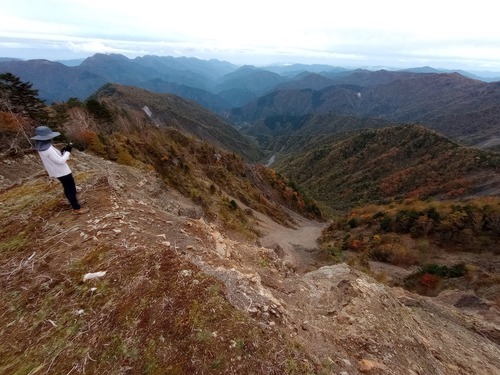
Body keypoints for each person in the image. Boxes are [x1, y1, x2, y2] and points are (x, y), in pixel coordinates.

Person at [31, 125, 89, 215]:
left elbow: (55, 157)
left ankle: (73, 202)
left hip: (56, 172)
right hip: (63, 172)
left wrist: (63, 151)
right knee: (71, 189)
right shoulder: (48, 149)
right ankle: (76, 208)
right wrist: (68, 151)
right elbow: (60, 160)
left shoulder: (41, 148)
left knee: (67, 188)